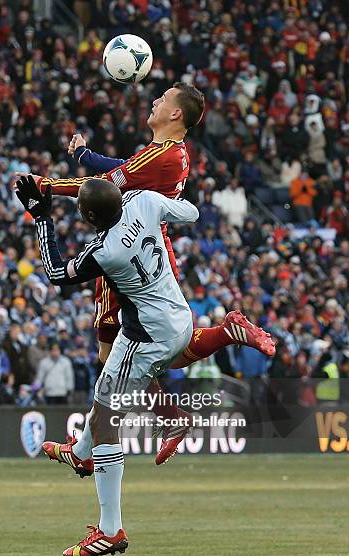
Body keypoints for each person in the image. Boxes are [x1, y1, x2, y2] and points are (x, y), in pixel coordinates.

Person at [15, 175, 275, 556]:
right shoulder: (143, 200)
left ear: (87, 216)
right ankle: (82, 452)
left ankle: (109, 529)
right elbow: (189, 211)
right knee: (109, 388)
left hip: (144, 338)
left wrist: (41, 216)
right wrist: (154, 209)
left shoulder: (104, 251)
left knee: (106, 419)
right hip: (178, 315)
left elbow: (55, 273)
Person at [17, 84, 274, 462]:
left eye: (163, 99)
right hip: (150, 244)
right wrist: (87, 155)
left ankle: (94, 448)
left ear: (175, 115)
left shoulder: (162, 157)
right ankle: (168, 407)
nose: (154, 101)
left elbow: (107, 186)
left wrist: (47, 187)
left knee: (115, 355)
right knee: (152, 347)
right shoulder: (169, 154)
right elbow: (124, 171)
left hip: (126, 250)